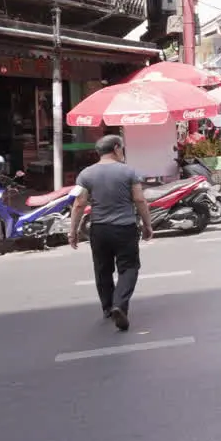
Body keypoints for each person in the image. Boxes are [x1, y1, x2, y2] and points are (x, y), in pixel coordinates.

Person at [69, 135, 152, 331]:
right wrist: (148, 224)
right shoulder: (129, 172)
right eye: (122, 148)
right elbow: (139, 200)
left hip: (99, 229)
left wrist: (72, 231)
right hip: (125, 228)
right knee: (129, 267)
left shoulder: (86, 174)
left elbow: (79, 204)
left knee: (102, 269)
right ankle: (119, 304)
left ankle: (108, 307)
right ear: (116, 148)